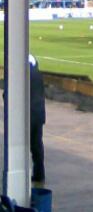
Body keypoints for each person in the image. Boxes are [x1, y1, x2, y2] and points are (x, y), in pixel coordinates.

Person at [29, 54, 46, 184]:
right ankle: (39, 173)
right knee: (37, 146)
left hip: (27, 116)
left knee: (21, 146)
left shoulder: (23, 76)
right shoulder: (38, 75)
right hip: (39, 114)